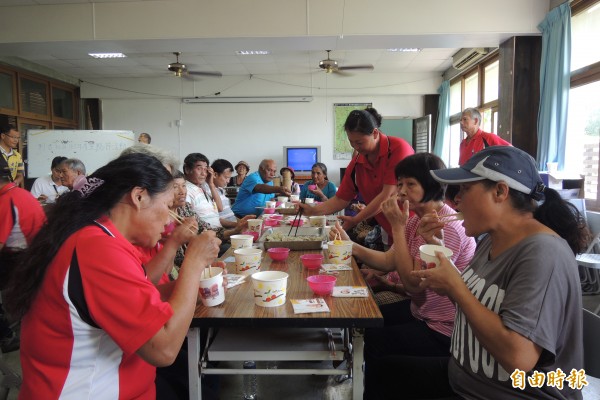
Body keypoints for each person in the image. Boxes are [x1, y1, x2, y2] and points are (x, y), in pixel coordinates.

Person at [4, 153, 222, 398]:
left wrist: (195, 281)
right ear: (139, 197)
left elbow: (138, 297)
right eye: (168, 205)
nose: (170, 217)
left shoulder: (100, 236)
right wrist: (193, 264)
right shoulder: (97, 249)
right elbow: (163, 350)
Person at [413, 146, 587, 399]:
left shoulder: (543, 253)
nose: (456, 200)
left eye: (465, 189)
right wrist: (437, 250)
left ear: (500, 191)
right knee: (384, 371)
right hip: (467, 382)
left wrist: (456, 287)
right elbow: (477, 302)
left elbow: (519, 357)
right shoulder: (491, 240)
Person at [329, 153, 476, 399]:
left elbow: (412, 285)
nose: (402, 191)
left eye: (411, 184)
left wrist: (395, 225)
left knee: (374, 340)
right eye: (399, 184)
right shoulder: (415, 219)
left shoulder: (446, 226)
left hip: (444, 328)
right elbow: (389, 261)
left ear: (431, 185)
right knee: (367, 320)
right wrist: (349, 245)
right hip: (421, 312)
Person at [300, 107, 414, 246]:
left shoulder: (398, 149)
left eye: (359, 142)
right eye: (351, 142)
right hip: (391, 229)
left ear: (375, 133)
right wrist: (313, 210)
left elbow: (387, 195)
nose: (355, 147)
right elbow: (341, 199)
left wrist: (356, 219)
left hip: (415, 227)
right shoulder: (357, 163)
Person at [0, 166, 46, 353]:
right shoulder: (22, 193)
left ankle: (6, 335)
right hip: (36, 255)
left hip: (19, 261)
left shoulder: (5, 202)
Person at [183, 153, 233, 228]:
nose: (203, 173)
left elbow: (220, 208)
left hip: (219, 232)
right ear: (187, 170)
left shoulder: (202, 189)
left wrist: (211, 184)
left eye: (205, 169)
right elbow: (191, 224)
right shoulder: (186, 190)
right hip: (209, 235)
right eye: (199, 169)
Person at [211, 159, 237, 223]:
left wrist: (242, 222)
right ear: (215, 175)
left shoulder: (221, 189)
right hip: (226, 227)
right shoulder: (209, 191)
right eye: (226, 177)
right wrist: (237, 225)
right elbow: (217, 219)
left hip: (233, 223)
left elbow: (230, 214)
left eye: (229, 178)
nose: (228, 181)